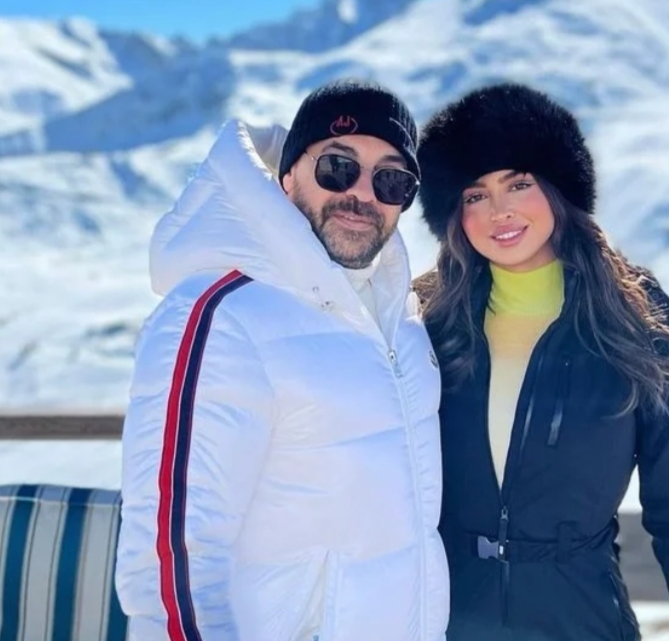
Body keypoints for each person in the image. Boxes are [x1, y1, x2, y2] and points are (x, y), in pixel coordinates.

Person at [115, 79, 449, 641]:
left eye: (391, 180)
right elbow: (171, 560)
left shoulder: (401, 319)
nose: (362, 194)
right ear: (288, 174)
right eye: (338, 167)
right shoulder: (222, 314)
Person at [414, 82, 669, 641]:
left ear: (557, 187)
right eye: (475, 195)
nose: (499, 211)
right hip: (444, 620)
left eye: (518, 183)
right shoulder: (423, 322)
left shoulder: (642, 327)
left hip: (584, 621)